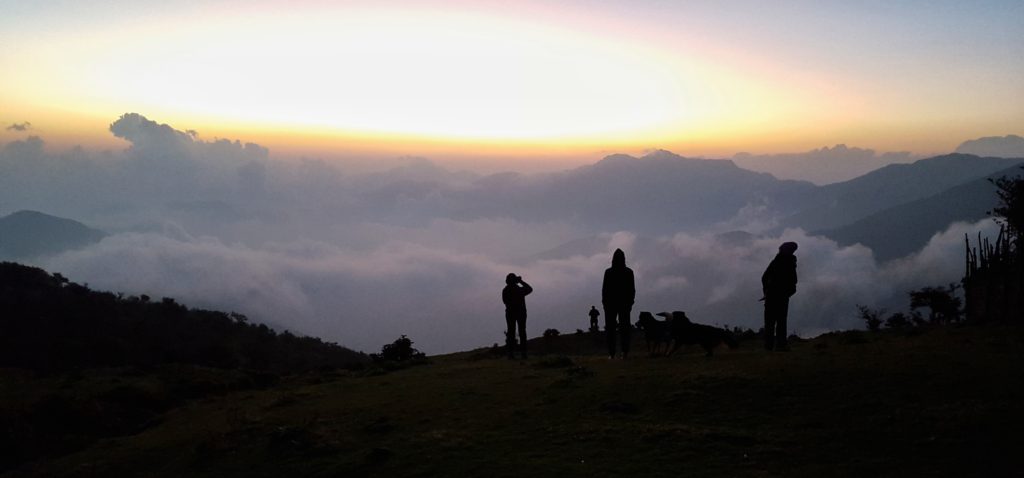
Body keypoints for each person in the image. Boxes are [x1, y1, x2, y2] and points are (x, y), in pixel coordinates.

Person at [761, 241, 798, 351]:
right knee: (781, 321)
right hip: (782, 296)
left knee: (770, 322)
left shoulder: (776, 261)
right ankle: (781, 345)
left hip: (772, 295)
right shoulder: (790, 262)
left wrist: (766, 292)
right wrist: (789, 291)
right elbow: (793, 280)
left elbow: (764, 277)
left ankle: (769, 346)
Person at [602, 249, 635, 359]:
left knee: (611, 329)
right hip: (624, 304)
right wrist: (630, 302)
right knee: (624, 328)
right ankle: (624, 352)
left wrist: (605, 303)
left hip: (611, 304)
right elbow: (632, 289)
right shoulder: (629, 272)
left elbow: (605, 290)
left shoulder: (608, 272)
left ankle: (612, 353)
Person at [502, 273, 533, 360]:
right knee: (521, 332)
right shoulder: (518, 289)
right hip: (519, 312)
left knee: (512, 332)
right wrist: (521, 281)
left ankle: (511, 354)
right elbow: (529, 289)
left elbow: (505, 302)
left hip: (511, 313)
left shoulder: (506, 290)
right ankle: (522, 353)